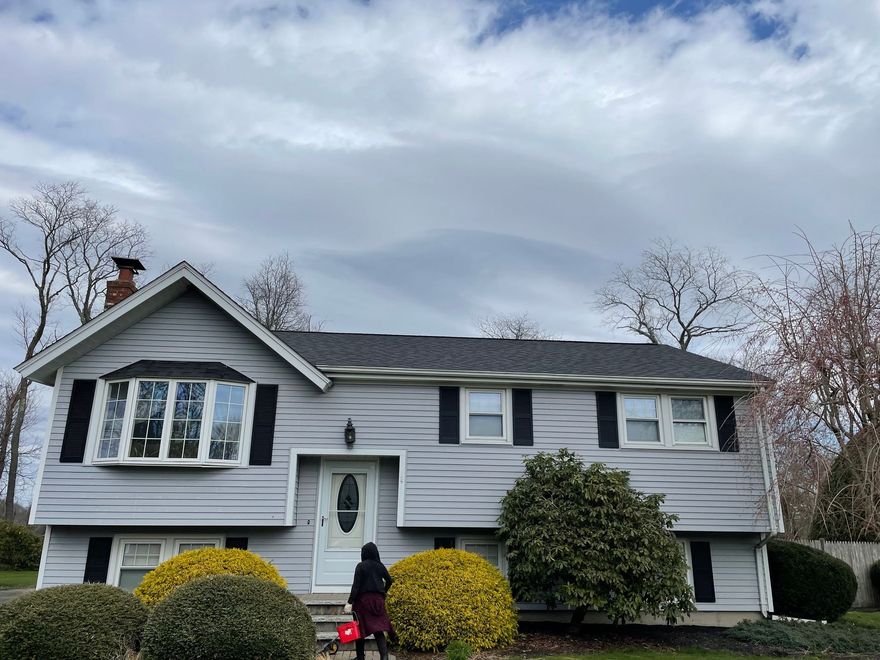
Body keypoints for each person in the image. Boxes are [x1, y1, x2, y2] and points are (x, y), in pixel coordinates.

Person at [344, 542, 393, 660]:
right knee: (378, 630)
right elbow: (390, 580)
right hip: (378, 602)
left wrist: (350, 602)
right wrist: (383, 592)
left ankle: (360, 657)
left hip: (362, 603)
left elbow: (356, 586)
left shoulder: (361, 566)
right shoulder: (380, 566)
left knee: (359, 630)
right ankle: (384, 657)